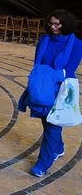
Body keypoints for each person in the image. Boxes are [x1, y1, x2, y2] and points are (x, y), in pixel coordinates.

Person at [18, 10, 82, 177]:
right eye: (51, 23)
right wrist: (40, 78)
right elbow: (37, 65)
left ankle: (42, 164)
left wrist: (45, 74)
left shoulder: (77, 44)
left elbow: (68, 71)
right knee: (47, 122)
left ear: (65, 24)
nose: (53, 27)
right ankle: (58, 147)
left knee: (52, 125)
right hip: (43, 87)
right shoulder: (43, 40)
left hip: (61, 89)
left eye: (57, 24)